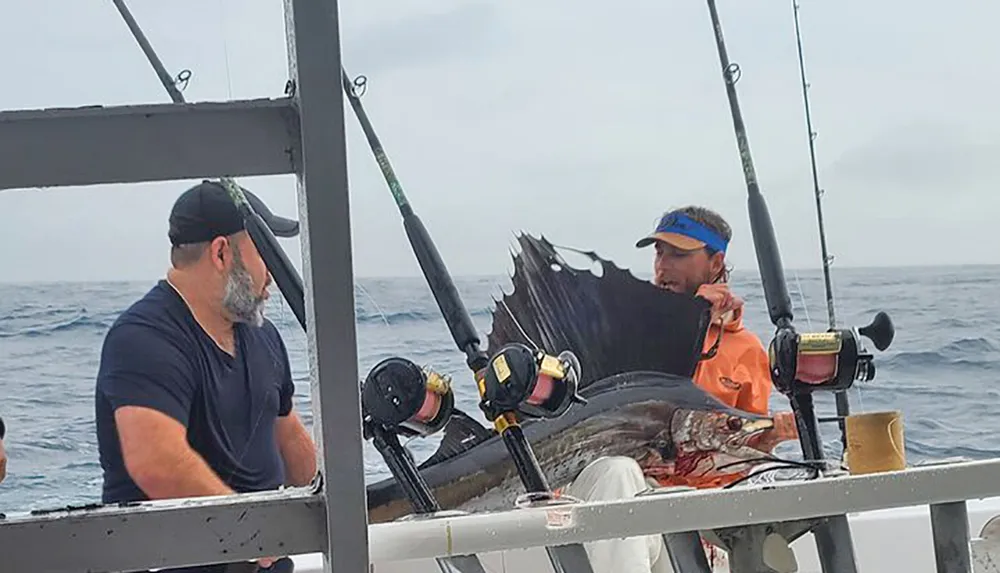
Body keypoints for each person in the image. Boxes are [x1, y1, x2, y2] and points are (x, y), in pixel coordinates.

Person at [94, 180, 317, 573]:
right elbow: (156, 464)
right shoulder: (144, 337)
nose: (273, 276)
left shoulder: (263, 335)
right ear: (220, 252)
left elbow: (289, 435)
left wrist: (336, 503)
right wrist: (252, 538)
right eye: (265, 251)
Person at [560, 205, 795, 573]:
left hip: (692, 513)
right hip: (613, 494)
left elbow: (739, 449)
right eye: (659, 252)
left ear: (715, 262)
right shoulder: (628, 329)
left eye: (679, 254)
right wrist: (687, 324)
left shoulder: (748, 350)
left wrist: (763, 443)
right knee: (619, 473)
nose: (663, 265)